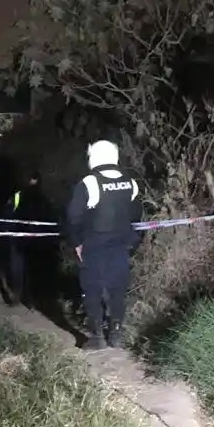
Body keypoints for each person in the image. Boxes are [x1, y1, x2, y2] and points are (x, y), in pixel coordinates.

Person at [64, 140, 143, 350]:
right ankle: (116, 333)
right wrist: (132, 241)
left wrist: (77, 243)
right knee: (117, 289)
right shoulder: (131, 183)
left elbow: (73, 218)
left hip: (94, 245)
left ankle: (97, 336)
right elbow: (136, 216)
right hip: (121, 245)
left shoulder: (89, 183)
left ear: (94, 156)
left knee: (92, 289)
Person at [4, 172, 43, 307]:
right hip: (19, 238)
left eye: (34, 182)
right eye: (31, 181)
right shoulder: (17, 197)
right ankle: (18, 296)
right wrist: (11, 231)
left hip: (34, 239)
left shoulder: (40, 199)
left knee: (31, 270)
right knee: (18, 269)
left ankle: (29, 299)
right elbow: (8, 215)